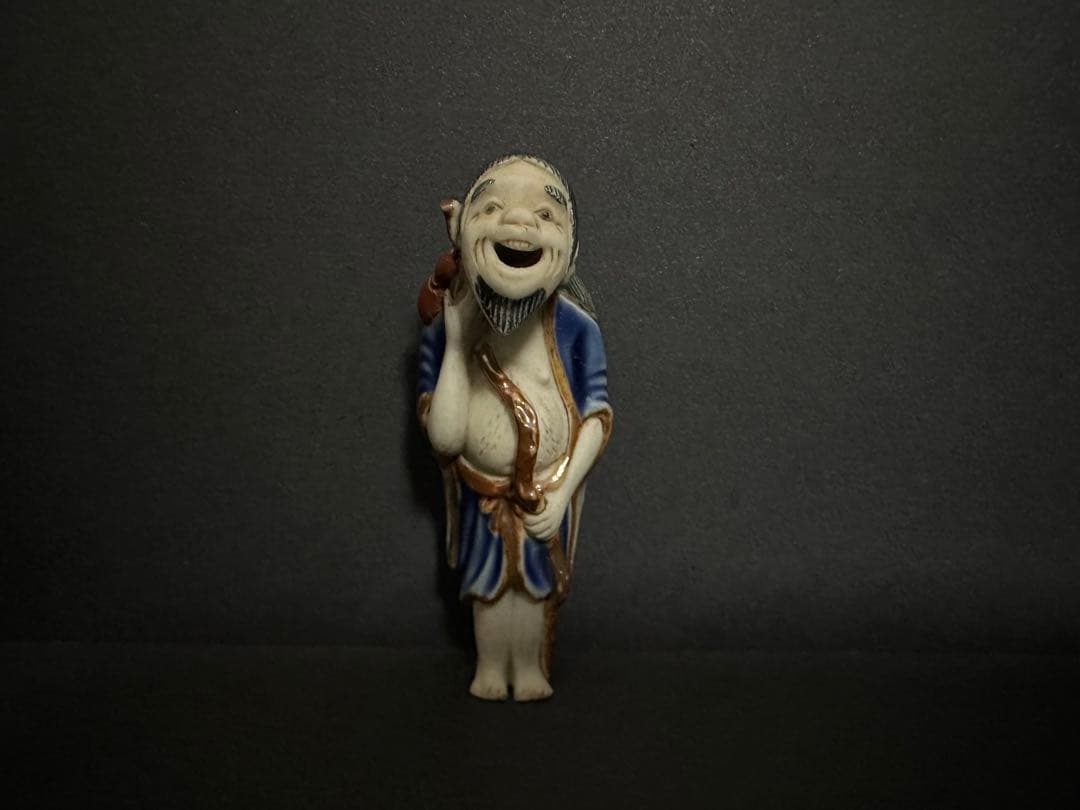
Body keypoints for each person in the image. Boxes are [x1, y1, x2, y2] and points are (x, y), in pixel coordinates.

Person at [418, 154, 612, 701]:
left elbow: (597, 417)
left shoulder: (577, 329)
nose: (519, 223)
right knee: (485, 586)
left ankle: (527, 667)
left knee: (533, 586)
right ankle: (489, 665)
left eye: (546, 215)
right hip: (482, 493)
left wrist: (563, 491)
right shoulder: (447, 328)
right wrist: (457, 343)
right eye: (493, 207)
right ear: (458, 227)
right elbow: (445, 439)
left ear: (572, 246)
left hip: (542, 496)